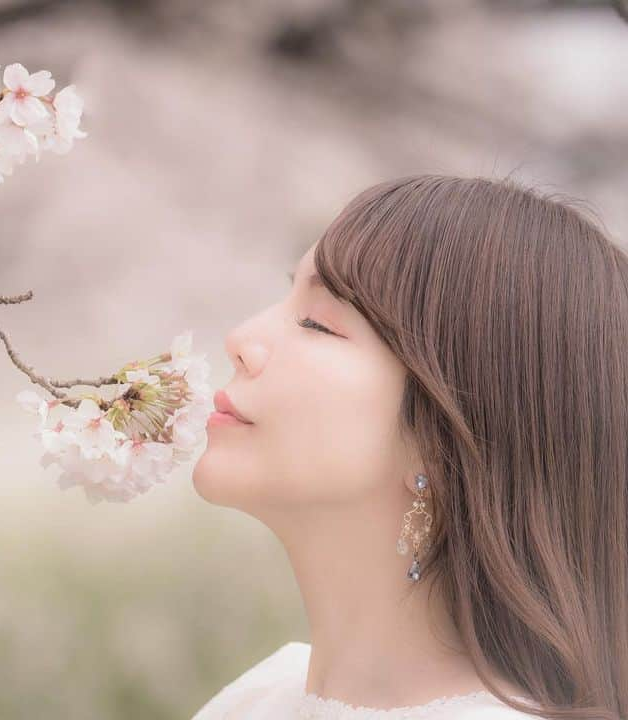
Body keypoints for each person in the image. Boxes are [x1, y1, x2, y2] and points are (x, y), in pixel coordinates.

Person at [189, 174, 628, 719]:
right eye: (287, 296)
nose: (242, 340)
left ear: (444, 440)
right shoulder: (255, 700)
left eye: (317, 324)